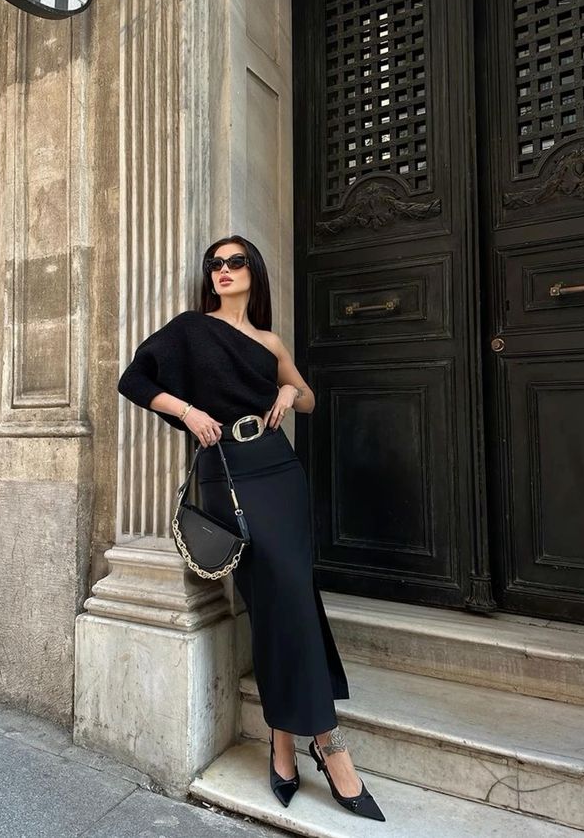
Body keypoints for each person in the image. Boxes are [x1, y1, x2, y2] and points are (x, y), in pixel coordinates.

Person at [117, 235, 385, 821]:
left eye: (235, 262)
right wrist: (188, 411)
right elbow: (133, 380)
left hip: (279, 469)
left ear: (254, 272)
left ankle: (285, 741)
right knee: (273, 600)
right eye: (215, 264)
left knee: (290, 600)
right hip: (228, 475)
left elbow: (308, 400)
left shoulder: (270, 341)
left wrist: (288, 388)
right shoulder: (191, 329)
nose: (224, 270)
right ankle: (329, 744)